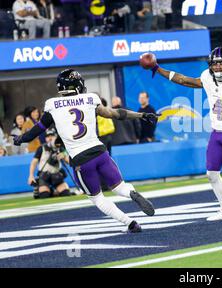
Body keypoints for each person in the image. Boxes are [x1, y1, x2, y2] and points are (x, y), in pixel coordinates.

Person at [14, 69, 158, 233]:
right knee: (119, 187)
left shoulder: (52, 105)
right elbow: (115, 113)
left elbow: (37, 129)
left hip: (81, 159)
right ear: (77, 85)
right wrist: (141, 115)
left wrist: (21, 139)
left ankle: (130, 223)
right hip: (100, 152)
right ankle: (132, 193)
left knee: (97, 198)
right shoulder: (91, 99)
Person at [147, 47, 222, 221]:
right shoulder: (206, 77)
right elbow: (182, 80)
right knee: (211, 174)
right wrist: (157, 69)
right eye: (215, 64)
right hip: (216, 133)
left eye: (221, 63)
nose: (217, 67)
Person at [28, 128, 72, 199]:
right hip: (44, 176)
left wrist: (64, 155)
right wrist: (31, 176)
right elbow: (34, 163)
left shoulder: (60, 148)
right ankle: (48, 191)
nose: (50, 138)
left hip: (56, 175)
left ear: (56, 137)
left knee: (66, 193)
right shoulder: (41, 148)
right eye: (48, 136)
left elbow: (69, 162)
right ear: (45, 138)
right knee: (44, 195)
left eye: (52, 136)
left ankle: (54, 192)